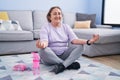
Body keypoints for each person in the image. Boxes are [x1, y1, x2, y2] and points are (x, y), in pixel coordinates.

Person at [36, 6, 99, 74]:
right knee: (42, 50)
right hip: (50, 56)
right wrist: (42, 44)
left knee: (81, 46)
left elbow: (74, 40)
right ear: (49, 17)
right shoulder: (45, 27)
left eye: (59, 13)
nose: (58, 15)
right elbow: (45, 41)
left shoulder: (66, 27)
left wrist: (88, 41)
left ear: (62, 16)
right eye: (55, 14)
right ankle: (67, 64)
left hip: (64, 54)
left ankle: (62, 65)